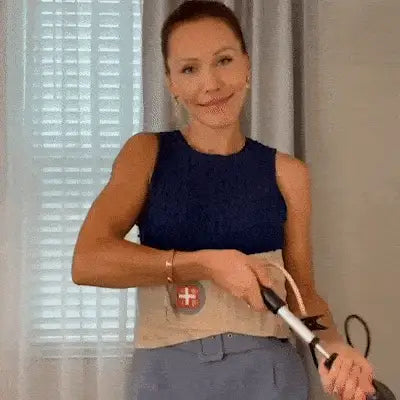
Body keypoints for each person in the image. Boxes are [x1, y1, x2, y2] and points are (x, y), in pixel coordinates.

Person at [71, 1, 376, 399]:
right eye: (189, 69)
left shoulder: (288, 173)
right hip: (166, 374)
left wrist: (331, 347)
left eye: (224, 61)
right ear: (171, 83)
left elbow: (302, 292)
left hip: (268, 375)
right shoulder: (145, 154)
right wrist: (205, 264)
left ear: (247, 66)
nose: (211, 84)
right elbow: (88, 261)